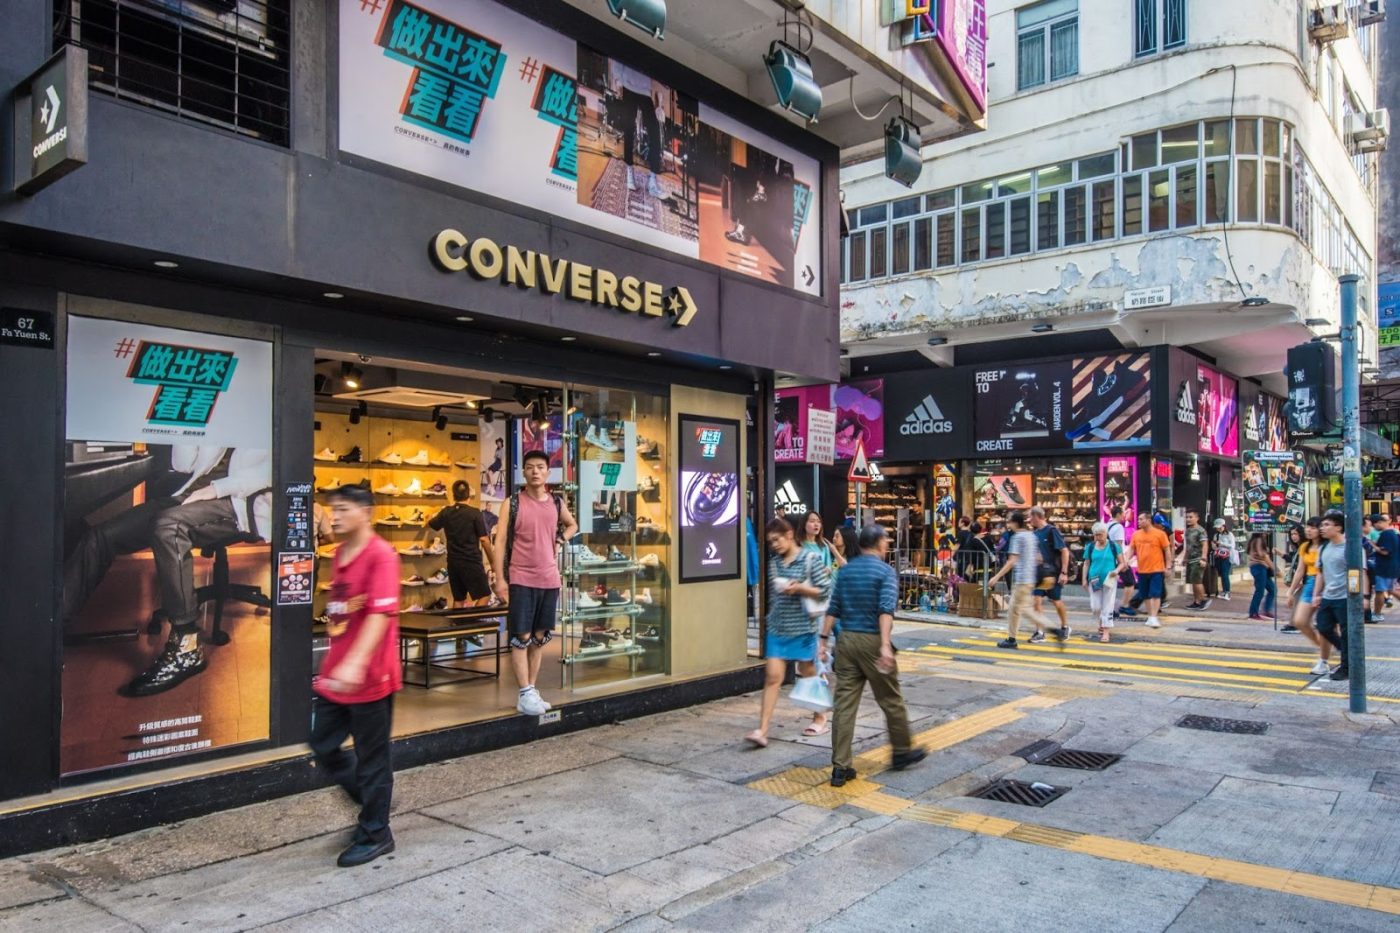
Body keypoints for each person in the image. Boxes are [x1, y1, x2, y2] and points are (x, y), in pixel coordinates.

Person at [120, 446, 272, 697]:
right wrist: (187, 427)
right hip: (189, 497)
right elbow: (183, 465)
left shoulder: (263, 415)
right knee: (101, 536)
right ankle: (54, 625)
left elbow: (273, 471)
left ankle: (187, 643)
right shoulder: (220, 415)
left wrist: (215, 489)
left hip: (238, 503)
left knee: (169, 526)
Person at [310, 484, 402, 868]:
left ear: (366, 512)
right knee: (322, 744)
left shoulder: (381, 556)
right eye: (333, 509)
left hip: (372, 677)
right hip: (337, 677)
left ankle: (377, 833)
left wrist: (355, 663)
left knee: (372, 759)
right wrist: (337, 666)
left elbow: (380, 616)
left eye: (344, 509)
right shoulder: (340, 554)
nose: (335, 515)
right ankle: (372, 801)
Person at [820, 524, 925, 787]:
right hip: (872, 641)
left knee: (844, 705)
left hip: (845, 641)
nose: (888, 545)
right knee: (890, 698)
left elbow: (833, 607)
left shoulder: (846, 571)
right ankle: (901, 752)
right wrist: (885, 646)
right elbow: (885, 610)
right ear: (878, 544)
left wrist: (822, 639)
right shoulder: (885, 571)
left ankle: (840, 767)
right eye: (886, 541)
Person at [492, 450, 578, 717]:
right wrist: (499, 578)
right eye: (530, 467)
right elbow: (500, 541)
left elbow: (573, 524)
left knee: (540, 637)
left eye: (540, 467)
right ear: (524, 472)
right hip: (521, 577)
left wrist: (560, 540)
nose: (535, 472)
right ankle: (525, 691)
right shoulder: (512, 503)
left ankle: (530, 690)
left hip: (549, 578)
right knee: (521, 636)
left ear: (547, 473)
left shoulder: (555, 502)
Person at [746, 517, 831, 747]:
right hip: (777, 628)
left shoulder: (810, 559)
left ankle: (820, 716)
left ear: (790, 535)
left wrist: (802, 588)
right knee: (773, 677)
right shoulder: (774, 563)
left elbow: (824, 591)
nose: (774, 545)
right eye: (770, 542)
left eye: (777, 540)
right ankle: (762, 730)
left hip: (803, 628)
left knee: (808, 673)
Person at [420, 480, 498, 608]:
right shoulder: (475, 513)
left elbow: (431, 524)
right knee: (485, 595)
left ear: (453, 495)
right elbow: (484, 540)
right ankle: (471, 624)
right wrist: (493, 563)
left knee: (459, 599)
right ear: (469, 495)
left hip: (453, 562)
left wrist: (427, 518)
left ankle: (459, 626)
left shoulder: (446, 512)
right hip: (471, 561)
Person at [988, 510, 1054, 648]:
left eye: (1009, 521)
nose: (1007, 524)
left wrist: (996, 576)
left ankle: (1051, 629)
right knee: (1016, 609)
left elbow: (1012, 560)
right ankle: (1012, 638)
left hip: (1022, 579)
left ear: (1015, 522)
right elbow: (1038, 558)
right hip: (1030, 578)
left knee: (1020, 609)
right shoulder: (1032, 535)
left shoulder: (1017, 537)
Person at [1285, 519, 1329, 673]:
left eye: (1313, 527)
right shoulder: (1305, 547)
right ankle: (1324, 648)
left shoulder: (1327, 546)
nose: (1309, 530)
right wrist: (1291, 591)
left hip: (1328, 583)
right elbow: (1299, 571)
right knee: (1300, 621)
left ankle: (1324, 659)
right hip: (1310, 583)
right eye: (1308, 527)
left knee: (1325, 625)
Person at [1311, 511, 1352, 680]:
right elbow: (1320, 573)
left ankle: (1346, 667)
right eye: (1322, 525)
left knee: (1347, 632)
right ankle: (1348, 652)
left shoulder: (1350, 547)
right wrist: (1316, 594)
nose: (1322, 528)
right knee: (1323, 627)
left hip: (1345, 597)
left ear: (1338, 527)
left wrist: (1363, 597)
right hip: (1328, 596)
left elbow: (1359, 572)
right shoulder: (1324, 547)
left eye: (1327, 525)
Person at [1028, 507, 1071, 638]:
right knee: (1037, 600)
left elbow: (1064, 551)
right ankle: (1039, 631)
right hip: (1039, 573)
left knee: (1056, 601)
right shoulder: (1034, 534)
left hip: (1053, 573)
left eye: (1030, 516)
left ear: (1036, 516)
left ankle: (1065, 626)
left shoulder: (1052, 531)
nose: (1029, 520)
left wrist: (1064, 572)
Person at [1125, 512, 1172, 629]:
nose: (1139, 521)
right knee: (1145, 595)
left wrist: (1168, 566)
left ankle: (1154, 617)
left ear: (1148, 520)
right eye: (1138, 519)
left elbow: (1167, 550)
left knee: (1155, 594)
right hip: (1142, 569)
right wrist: (1125, 560)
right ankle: (1151, 616)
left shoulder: (1160, 534)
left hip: (1157, 569)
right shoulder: (1136, 534)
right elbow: (1131, 549)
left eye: (1141, 519)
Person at [1082, 522, 1127, 642]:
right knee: (1096, 607)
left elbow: (1122, 563)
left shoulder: (1114, 546)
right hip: (1094, 580)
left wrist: (1116, 571)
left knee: (1108, 605)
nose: (1098, 537)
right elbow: (1086, 563)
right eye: (1096, 535)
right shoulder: (1090, 547)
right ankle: (1102, 621)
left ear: (1106, 533)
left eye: (1100, 535)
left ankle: (1106, 632)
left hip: (1110, 580)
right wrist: (1083, 579)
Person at [796, 511, 847, 576]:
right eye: (812, 521)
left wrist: (827, 570)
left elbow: (830, 567)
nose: (816, 524)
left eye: (819, 521)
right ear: (804, 524)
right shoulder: (798, 545)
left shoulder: (824, 545)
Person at [1107, 506, 1135, 619]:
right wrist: (1122, 563)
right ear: (1118, 514)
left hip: (1108, 559)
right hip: (1118, 560)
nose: (1124, 516)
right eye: (1123, 513)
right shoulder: (1118, 527)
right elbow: (1118, 546)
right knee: (1130, 582)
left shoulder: (1106, 524)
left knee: (1109, 585)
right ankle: (1124, 605)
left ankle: (1109, 609)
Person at [1372, 513, 1398, 623]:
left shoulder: (1386, 534)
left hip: (1384, 567)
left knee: (1380, 591)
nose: (1374, 527)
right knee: (1391, 590)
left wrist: (1373, 546)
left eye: (1374, 525)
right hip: (1393, 566)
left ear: (1379, 523)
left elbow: (1385, 551)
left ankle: (1377, 613)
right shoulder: (1394, 533)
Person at [1183, 509, 1211, 610]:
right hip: (1190, 560)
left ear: (1197, 518)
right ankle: (1196, 601)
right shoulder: (1188, 531)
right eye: (1187, 517)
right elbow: (1188, 546)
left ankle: (1203, 600)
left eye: (1191, 517)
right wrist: (1185, 558)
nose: (1188, 519)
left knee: (1197, 581)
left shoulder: (1201, 530)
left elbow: (1205, 545)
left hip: (1198, 559)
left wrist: (1203, 558)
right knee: (1193, 581)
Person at [1246, 531, 1277, 620]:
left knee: (1272, 589)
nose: (1267, 532)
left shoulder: (1255, 540)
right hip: (1259, 567)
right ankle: (1253, 613)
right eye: (1265, 530)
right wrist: (1274, 568)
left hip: (1260, 567)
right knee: (1260, 591)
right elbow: (1262, 555)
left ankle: (1266, 610)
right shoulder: (1259, 540)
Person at [1212, 518, 1238, 601]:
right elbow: (1214, 547)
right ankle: (1224, 591)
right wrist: (1215, 545)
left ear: (1224, 526)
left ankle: (1227, 592)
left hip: (1227, 557)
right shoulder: (1216, 535)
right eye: (1217, 527)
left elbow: (1232, 546)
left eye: (1220, 527)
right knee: (1221, 574)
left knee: (1225, 574)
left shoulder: (1229, 534)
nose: (1218, 529)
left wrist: (1222, 543)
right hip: (1218, 556)